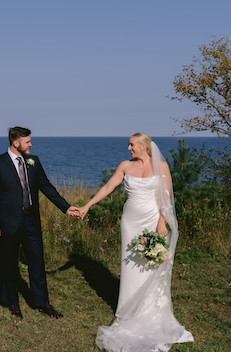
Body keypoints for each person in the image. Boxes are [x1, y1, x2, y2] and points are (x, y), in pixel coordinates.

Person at [76, 132, 193, 351]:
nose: (128, 148)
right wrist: (87, 205)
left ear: (144, 146)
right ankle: (130, 311)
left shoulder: (161, 166)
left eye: (132, 145)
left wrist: (161, 222)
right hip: (130, 222)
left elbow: (165, 198)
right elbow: (108, 187)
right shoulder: (125, 166)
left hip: (152, 220)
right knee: (131, 264)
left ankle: (150, 311)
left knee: (152, 263)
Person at [0, 126, 79, 319]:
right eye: (27, 141)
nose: (31, 144)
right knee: (9, 262)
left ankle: (42, 302)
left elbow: (46, 186)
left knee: (37, 261)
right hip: (8, 222)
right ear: (15, 142)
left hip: (31, 220)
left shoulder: (33, 161)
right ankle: (12, 302)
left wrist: (66, 207)